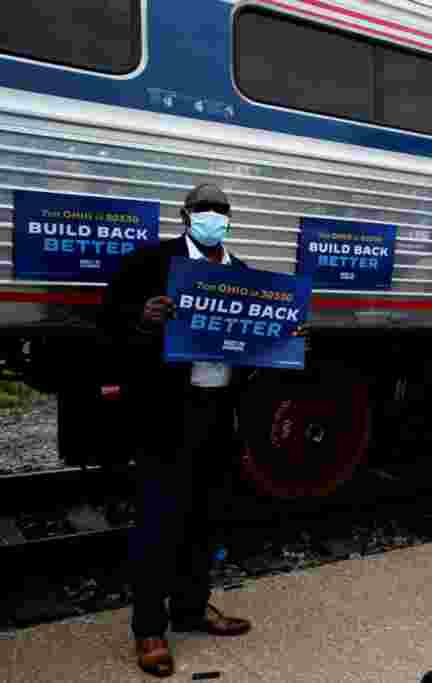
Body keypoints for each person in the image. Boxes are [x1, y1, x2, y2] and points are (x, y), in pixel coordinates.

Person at [102, 184, 283, 677]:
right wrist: (141, 319)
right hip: (166, 413)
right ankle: (148, 628)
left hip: (219, 411)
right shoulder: (150, 263)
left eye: (220, 211)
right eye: (203, 210)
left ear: (230, 219)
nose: (212, 218)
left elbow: (255, 348)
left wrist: (285, 336)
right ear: (185, 216)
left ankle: (190, 607)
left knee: (204, 517)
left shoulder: (243, 277)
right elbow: (107, 322)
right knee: (158, 521)